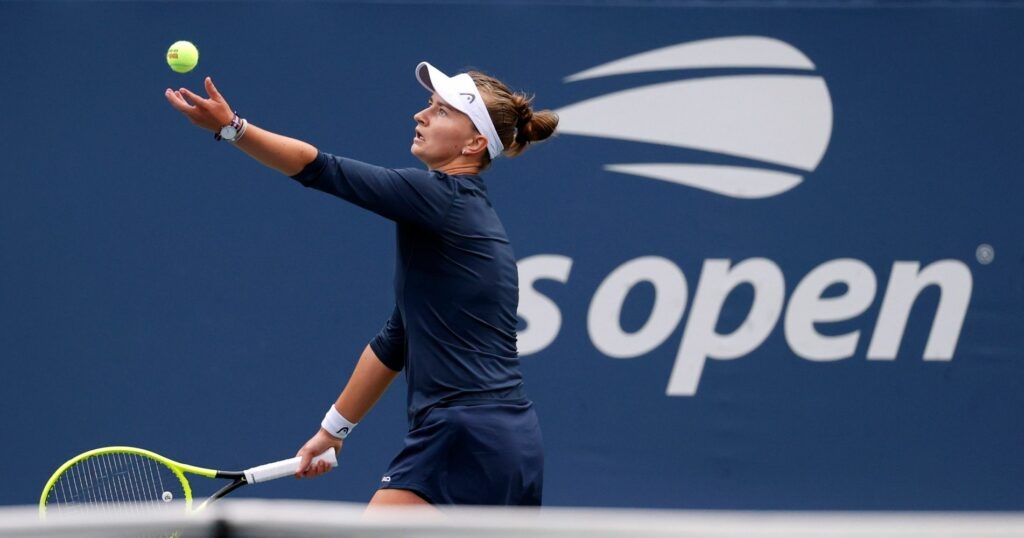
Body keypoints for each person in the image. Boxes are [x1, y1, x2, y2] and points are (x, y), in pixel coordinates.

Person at [165, 61, 558, 507]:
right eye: (429, 105)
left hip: (463, 434)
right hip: (511, 443)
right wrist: (332, 431)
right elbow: (396, 340)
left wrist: (233, 128)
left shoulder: (440, 200)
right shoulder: (463, 218)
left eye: (443, 111)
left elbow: (321, 169)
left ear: (475, 143)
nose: (421, 115)